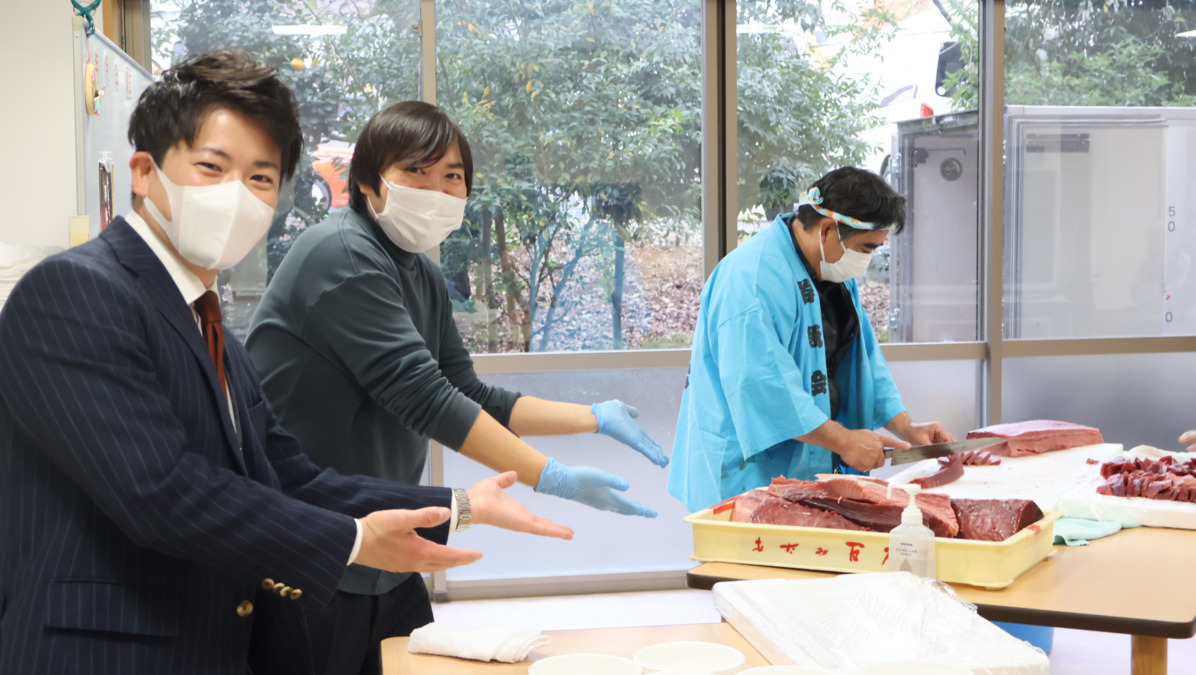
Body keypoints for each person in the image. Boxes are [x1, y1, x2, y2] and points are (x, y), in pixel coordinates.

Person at [0, 52, 572, 675]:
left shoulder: (205, 316)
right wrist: (353, 539)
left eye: (260, 178)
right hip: (105, 652)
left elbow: (290, 473)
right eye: (212, 167)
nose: (237, 196)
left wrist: (458, 505)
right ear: (144, 171)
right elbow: (160, 492)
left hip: (211, 637)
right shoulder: (77, 291)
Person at [245, 100, 667, 674]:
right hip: (308, 546)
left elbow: (466, 391)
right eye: (415, 171)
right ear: (369, 182)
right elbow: (424, 398)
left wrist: (592, 416)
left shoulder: (419, 270)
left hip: (386, 542)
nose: (437, 189)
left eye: (453, 176)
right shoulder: (340, 253)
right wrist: (554, 477)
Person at [667, 166, 955, 512]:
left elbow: (863, 362)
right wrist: (843, 439)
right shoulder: (751, 279)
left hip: (810, 461)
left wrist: (907, 428)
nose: (867, 259)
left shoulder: (831, 268)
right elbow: (763, 385)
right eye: (865, 248)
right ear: (829, 228)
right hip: (748, 472)